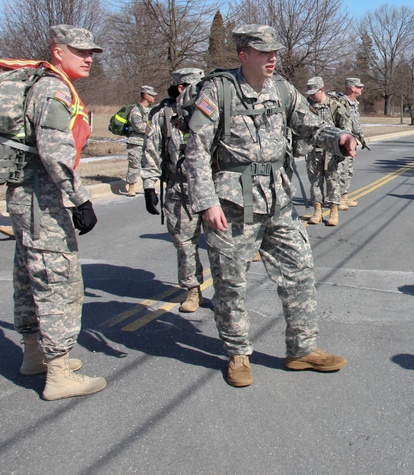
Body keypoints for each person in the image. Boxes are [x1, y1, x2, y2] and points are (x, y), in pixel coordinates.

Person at [185, 24, 355, 387]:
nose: (273, 57)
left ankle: (302, 349)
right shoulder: (219, 90)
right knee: (231, 283)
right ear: (243, 55)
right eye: (264, 52)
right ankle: (238, 354)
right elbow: (196, 149)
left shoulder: (281, 89)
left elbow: (309, 124)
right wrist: (206, 201)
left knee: (299, 271)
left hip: (279, 198)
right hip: (232, 201)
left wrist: (338, 136)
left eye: (275, 51)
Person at [11, 24, 105, 400]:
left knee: (28, 277)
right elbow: (56, 154)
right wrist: (80, 199)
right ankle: (59, 372)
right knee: (57, 282)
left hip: (28, 201)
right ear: (57, 51)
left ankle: (35, 356)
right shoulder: (53, 89)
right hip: (45, 204)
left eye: (91, 53)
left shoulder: (43, 85)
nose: (88, 58)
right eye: (79, 51)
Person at [141, 67, 207, 313]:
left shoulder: (210, 110)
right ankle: (192, 289)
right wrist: (149, 186)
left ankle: (225, 291)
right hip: (179, 187)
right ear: (182, 88)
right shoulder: (162, 115)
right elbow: (151, 152)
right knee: (184, 241)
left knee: (222, 243)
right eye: (196, 86)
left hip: (212, 187)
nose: (203, 91)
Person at [301, 77, 348, 227]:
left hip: (331, 152)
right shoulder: (306, 106)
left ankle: (334, 211)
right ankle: (317, 211)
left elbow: (345, 129)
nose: (311, 96)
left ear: (322, 90)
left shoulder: (335, 106)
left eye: (314, 92)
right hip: (313, 151)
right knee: (315, 181)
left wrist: (342, 149)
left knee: (332, 181)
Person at [336, 77, 367, 209]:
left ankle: (344, 196)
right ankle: (336, 199)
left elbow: (355, 123)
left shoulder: (354, 103)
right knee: (340, 170)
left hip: (352, 141)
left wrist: (361, 137)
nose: (361, 89)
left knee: (348, 170)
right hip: (342, 142)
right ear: (352, 88)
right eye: (359, 86)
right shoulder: (342, 102)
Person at [124, 85, 157, 197]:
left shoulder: (152, 110)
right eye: (151, 95)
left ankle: (149, 187)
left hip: (148, 141)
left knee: (149, 165)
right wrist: (152, 128)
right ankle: (131, 187)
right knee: (134, 165)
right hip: (136, 142)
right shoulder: (136, 110)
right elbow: (138, 127)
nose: (154, 97)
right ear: (145, 95)